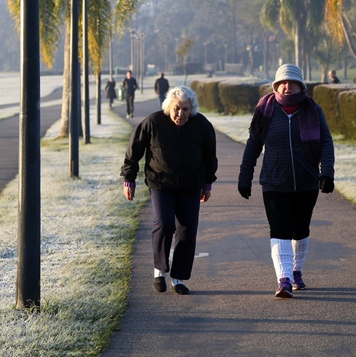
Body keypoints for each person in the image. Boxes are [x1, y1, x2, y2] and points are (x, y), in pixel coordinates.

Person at [238, 63, 335, 298]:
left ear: (301, 86)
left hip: (306, 181)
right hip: (274, 182)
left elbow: (325, 143)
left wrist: (327, 173)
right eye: (283, 83)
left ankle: (296, 271)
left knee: (300, 228)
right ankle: (284, 280)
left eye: (292, 82)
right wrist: (244, 176)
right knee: (279, 229)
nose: (287, 87)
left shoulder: (312, 110)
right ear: (276, 86)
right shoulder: (265, 111)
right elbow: (253, 146)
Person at [121, 86, 218, 295]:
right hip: (160, 183)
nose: (180, 114)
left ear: (191, 109)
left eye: (185, 109)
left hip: (190, 186)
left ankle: (179, 277)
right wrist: (129, 178)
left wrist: (207, 184)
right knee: (164, 224)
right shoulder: (154, 121)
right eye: (177, 108)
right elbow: (134, 149)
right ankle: (159, 270)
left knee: (187, 230)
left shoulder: (201, 124)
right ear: (168, 107)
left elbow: (210, 156)